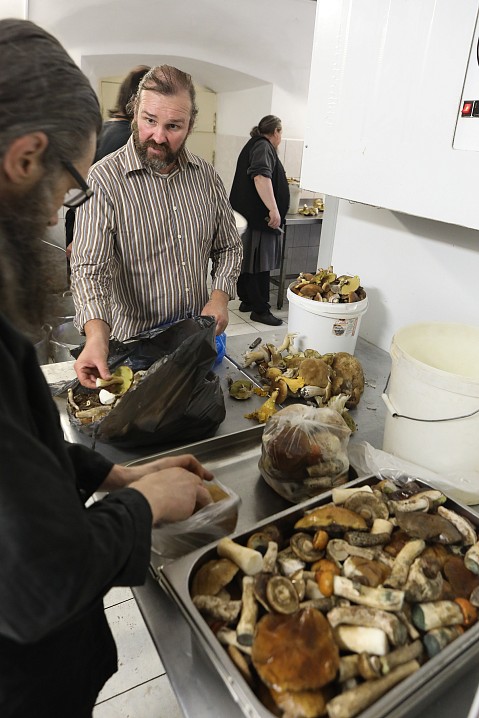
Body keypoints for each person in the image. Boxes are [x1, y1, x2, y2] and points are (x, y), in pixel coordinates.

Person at [0, 19, 214, 718]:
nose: (59, 210)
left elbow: (18, 450)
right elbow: (40, 581)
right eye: (68, 186)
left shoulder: (205, 182)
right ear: (25, 158)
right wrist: (144, 506)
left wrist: (110, 475)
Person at [70, 64, 242, 389]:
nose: (158, 137)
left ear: (190, 125)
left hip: (195, 342)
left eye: (173, 126)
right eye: (149, 120)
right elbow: (89, 269)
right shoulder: (104, 180)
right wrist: (96, 336)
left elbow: (229, 246)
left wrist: (220, 296)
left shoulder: (207, 177)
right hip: (136, 350)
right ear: (134, 111)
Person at [65, 65, 151, 258]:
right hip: (98, 236)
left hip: (80, 229)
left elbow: (73, 187)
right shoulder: (132, 140)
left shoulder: (98, 130)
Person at [229, 115, 290, 326]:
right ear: (276, 132)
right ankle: (260, 310)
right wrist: (273, 209)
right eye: (281, 133)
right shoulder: (263, 146)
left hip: (249, 215)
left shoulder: (255, 144)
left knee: (249, 261)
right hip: (258, 217)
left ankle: (247, 300)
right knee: (259, 264)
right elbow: (260, 177)